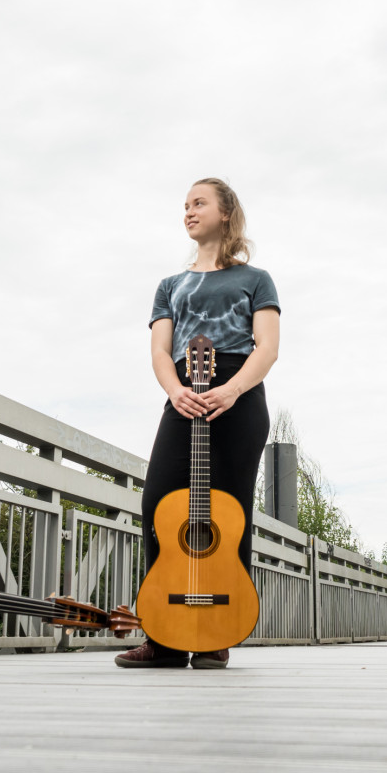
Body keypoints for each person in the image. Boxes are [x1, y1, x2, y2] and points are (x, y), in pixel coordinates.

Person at [115, 178, 280, 670]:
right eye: (185, 205)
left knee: (229, 514)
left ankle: (215, 635)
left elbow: (267, 348)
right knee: (159, 503)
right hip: (186, 392)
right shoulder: (171, 285)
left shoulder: (256, 278)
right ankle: (163, 639)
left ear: (226, 212)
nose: (188, 211)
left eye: (199, 203)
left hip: (239, 392)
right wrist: (175, 391)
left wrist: (231, 390)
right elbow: (160, 352)